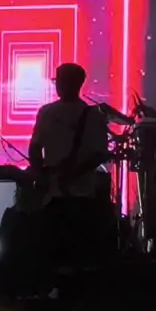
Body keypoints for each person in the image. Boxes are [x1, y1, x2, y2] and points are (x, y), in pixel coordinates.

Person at [28, 63, 110, 265]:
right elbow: (99, 154)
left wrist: (46, 175)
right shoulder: (52, 113)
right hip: (64, 191)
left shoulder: (90, 116)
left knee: (64, 249)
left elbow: (35, 148)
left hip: (73, 193)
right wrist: (41, 175)